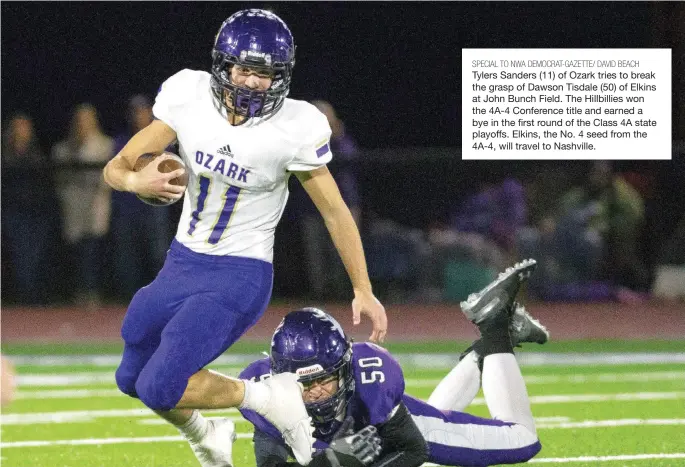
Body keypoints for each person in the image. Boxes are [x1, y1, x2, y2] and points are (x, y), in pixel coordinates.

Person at [102, 9, 387, 467]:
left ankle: (269, 397)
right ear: (224, 66)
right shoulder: (188, 97)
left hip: (240, 273)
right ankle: (207, 434)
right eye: (246, 69)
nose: (254, 82)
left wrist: (363, 287)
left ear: (282, 77)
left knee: (160, 384)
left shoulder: (294, 126)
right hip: (182, 262)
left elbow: (335, 211)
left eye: (266, 73)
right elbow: (116, 166)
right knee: (130, 376)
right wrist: (138, 184)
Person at [240, 259, 547, 467]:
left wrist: (351, 460)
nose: (318, 392)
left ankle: (495, 330)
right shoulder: (266, 398)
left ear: (346, 368)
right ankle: (495, 339)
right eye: (305, 384)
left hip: (401, 433)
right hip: (379, 439)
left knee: (522, 440)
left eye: (324, 380)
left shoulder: (371, 377)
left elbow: (413, 448)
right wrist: (337, 460)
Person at [110, 95, 173, 301]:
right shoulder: (122, 141)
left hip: (155, 206)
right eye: (136, 112)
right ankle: (129, 297)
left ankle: (161, 296)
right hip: (128, 206)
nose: (140, 116)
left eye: (144, 111)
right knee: (127, 255)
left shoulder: (162, 140)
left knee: (158, 253)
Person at [52, 103, 115, 308]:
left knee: (93, 252)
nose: (83, 124)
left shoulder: (106, 145)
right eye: (79, 120)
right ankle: (77, 294)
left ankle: (93, 293)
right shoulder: (62, 148)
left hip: (95, 206)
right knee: (75, 254)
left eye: (87, 119)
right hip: (73, 208)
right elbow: (59, 180)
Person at [1, 113, 61, 305]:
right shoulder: (5, 153)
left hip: (37, 213)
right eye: (17, 127)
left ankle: (36, 295)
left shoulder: (37, 152)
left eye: (25, 127)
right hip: (14, 212)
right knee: (20, 255)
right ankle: (25, 297)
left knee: (36, 256)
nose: (21, 131)